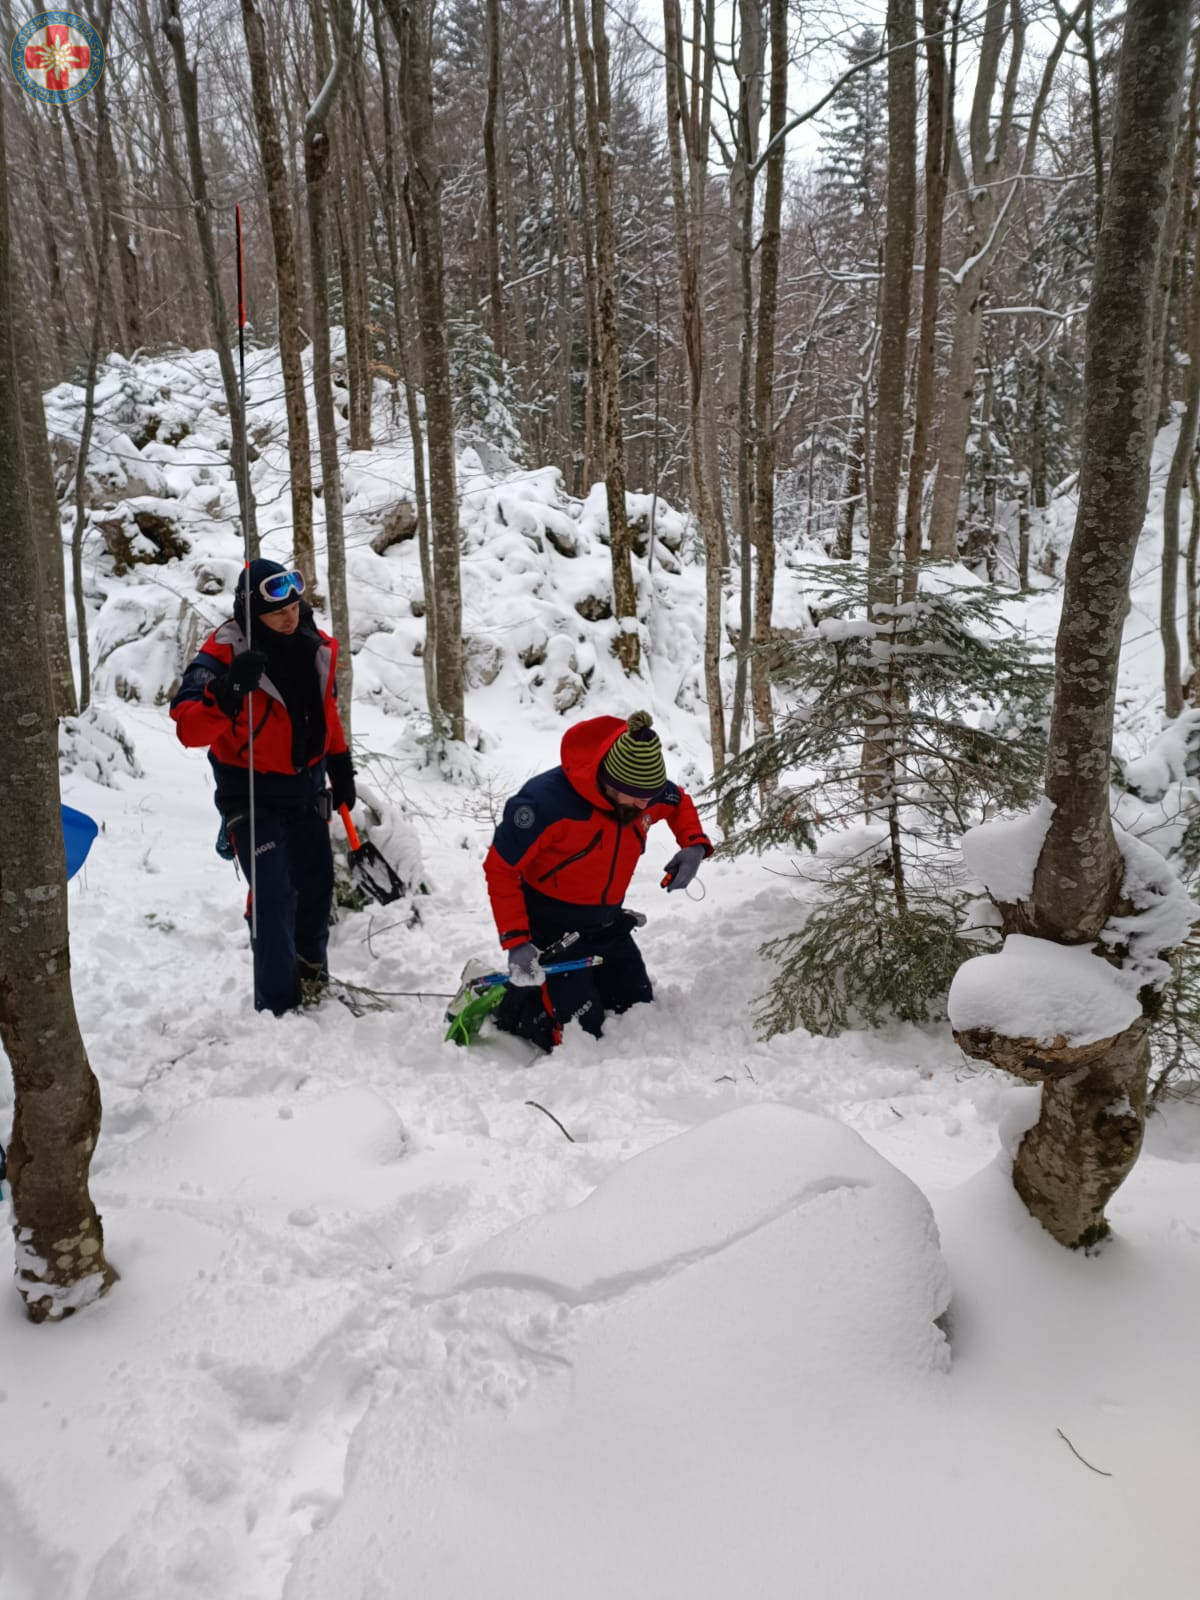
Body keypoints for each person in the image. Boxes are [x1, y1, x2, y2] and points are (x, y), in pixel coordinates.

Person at [170, 557, 356, 1015]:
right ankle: (278, 1006)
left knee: (315, 890)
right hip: (249, 792)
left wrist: (340, 763)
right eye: (277, 612)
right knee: (274, 895)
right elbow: (188, 729)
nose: (289, 617)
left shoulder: (311, 641)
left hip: (306, 785)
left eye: (294, 606)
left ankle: (312, 980)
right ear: (252, 613)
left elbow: (322, 711)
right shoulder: (224, 653)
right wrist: (227, 693)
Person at [483, 710, 712, 1051]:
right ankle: (517, 1005)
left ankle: (578, 984)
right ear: (610, 783)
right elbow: (500, 868)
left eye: (650, 796)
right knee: (580, 1034)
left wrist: (693, 845)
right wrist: (516, 941)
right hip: (550, 928)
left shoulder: (644, 790)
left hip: (605, 923)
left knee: (637, 1005)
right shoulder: (546, 804)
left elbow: (678, 803)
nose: (646, 805)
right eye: (636, 798)